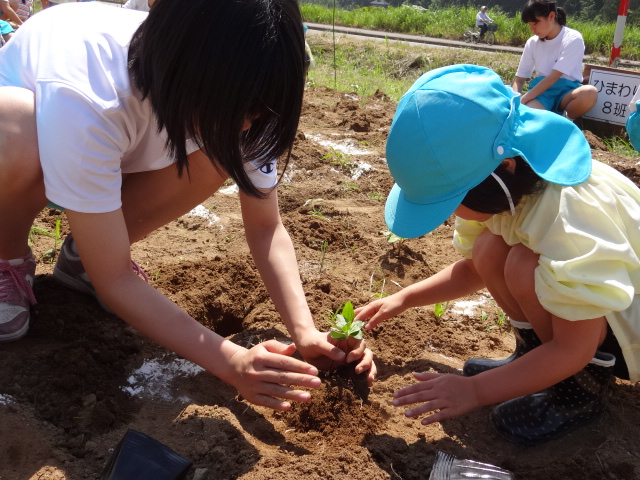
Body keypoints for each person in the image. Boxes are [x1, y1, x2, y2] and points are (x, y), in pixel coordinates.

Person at [0, 0, 375, 412]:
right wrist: (231, 361)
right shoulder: (89, 95)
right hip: (26, 151)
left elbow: (266, 227)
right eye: (236, 110)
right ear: (185, 74)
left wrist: (304, 330)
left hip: (115, 152)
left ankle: (83, 259)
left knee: (223, 150)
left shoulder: (238, 92)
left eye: (256, 111)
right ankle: (7, 257)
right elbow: (117, 279)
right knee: (16, 130)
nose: (247, 123)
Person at [355, 64, 640, 445]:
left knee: (523, 265)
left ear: (502, 167)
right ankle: (533, 360)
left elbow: (575, 345)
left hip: (625, 331)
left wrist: (474, 392)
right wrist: (405, 298)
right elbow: (474, 268)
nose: (451, 213)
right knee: (489, 248)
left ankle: (578, 393)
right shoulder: (510, 188)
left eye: (453, 199)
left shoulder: (566, 214)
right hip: (594, 321)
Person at [511, 0, 597, 121]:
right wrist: (515, 100)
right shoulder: (532, 42)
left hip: (567, 92)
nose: (532, 29)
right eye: (529, 25)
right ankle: (551, 120)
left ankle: (565, 121)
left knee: (590, 93)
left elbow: (553, 77)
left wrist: (524, 100)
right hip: (541, 94)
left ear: (551, 16)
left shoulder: (573, 38)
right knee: (530, 118)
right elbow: (519, 79)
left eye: (535, 23)